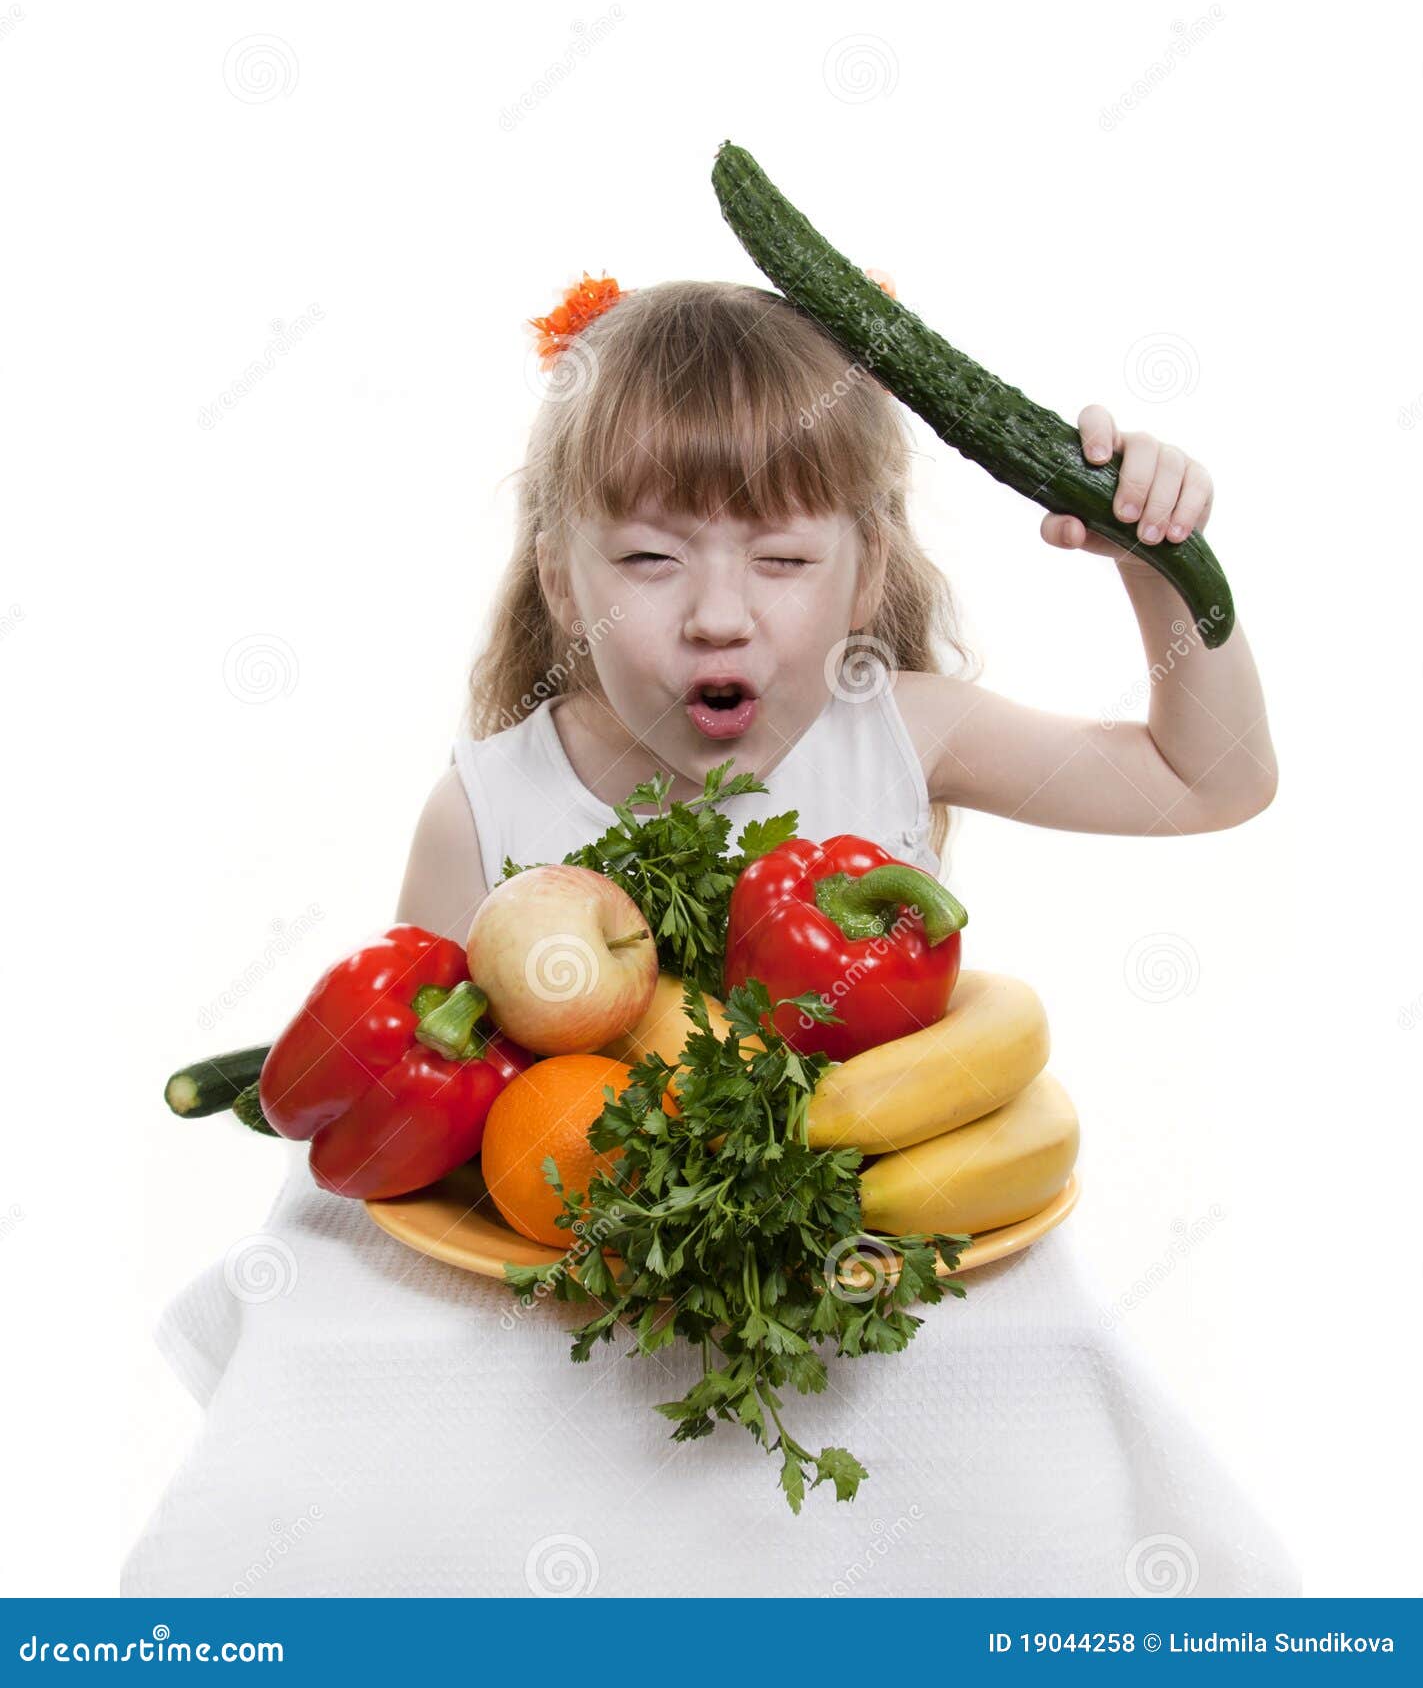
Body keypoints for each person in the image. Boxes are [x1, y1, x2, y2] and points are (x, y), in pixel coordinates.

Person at [123, 276, 1300, 1598]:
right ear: (564, 581)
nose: (719, 612)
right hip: (563, 1347)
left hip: (866, 1328)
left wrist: (1155, 567)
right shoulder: (489, 805)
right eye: (649, 556)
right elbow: (429, 1140)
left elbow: (1216, 779)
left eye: (783, 558)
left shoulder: (906, 731)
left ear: (868, 573)